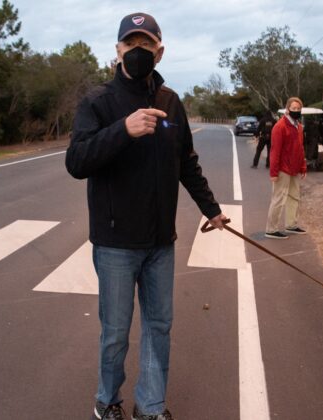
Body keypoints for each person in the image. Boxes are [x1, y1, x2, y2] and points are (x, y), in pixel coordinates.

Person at [65, 12, 227, 420]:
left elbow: (186, 160)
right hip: (116, 243)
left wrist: (212, 209)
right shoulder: (98, 102)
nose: (138, 52)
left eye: (146, 45)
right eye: (130, 45)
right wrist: (124, 129)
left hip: (160, 242)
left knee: (159, 328)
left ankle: (150, 407)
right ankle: (107, 401)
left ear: (160, 51)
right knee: (116, 333)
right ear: (117, 50)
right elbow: (77, 161)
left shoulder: (170, 101)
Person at [264, 97, 307, 239]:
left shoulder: (298, 126)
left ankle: (291, 224)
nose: (296, 111)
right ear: (287, 109)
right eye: (293, 108)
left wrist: (303, 166)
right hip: (283, 168)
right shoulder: (280, 126)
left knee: (294, 197)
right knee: (279, 198)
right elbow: (275, 151)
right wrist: (273, 172)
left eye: (298, 109)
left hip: (295, 168)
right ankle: (271, 229)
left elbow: (300, 148)